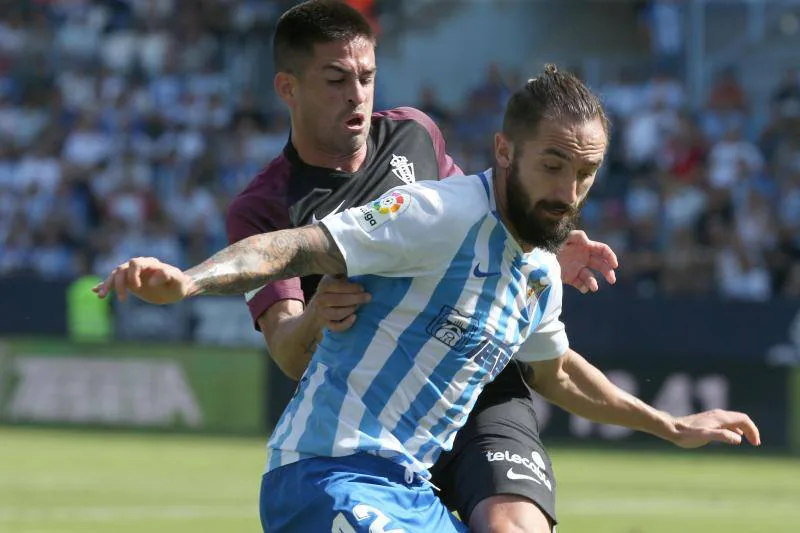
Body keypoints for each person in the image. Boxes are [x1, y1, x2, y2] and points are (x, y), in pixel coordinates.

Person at [95, 65, 761, 533]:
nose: (568, 189)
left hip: (410, 493)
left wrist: (671, 425)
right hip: (327, 473)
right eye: (552, 165)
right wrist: (189, 278)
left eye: (585, 173)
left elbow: (555, 371)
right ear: (504, 151)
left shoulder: (537, 270)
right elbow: (292, 246)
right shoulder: (436, 215)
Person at [227, 2, 617, 531]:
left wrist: (543, 240)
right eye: (336, 78)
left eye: (367, 76)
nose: (357, 94)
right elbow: (290, 353)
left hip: (480, 385)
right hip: (376, 416)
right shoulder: (266, 207)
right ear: (287, 88)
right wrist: (316, 316)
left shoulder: (413, 133)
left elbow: (487, 209)